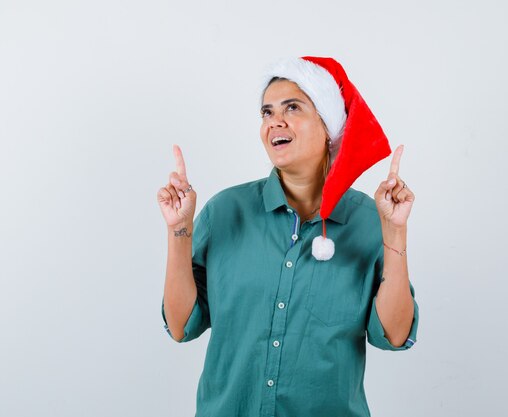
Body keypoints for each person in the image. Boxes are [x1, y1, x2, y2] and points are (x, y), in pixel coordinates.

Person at [157, 56, 419, 417]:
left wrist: (395, 233)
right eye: (266, 112)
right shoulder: (224, 212)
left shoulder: (370, 220)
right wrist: (178, 230)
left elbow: (394, 334)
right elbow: (180, 325)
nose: (274, 121)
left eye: (292, 107)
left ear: (327, 127)